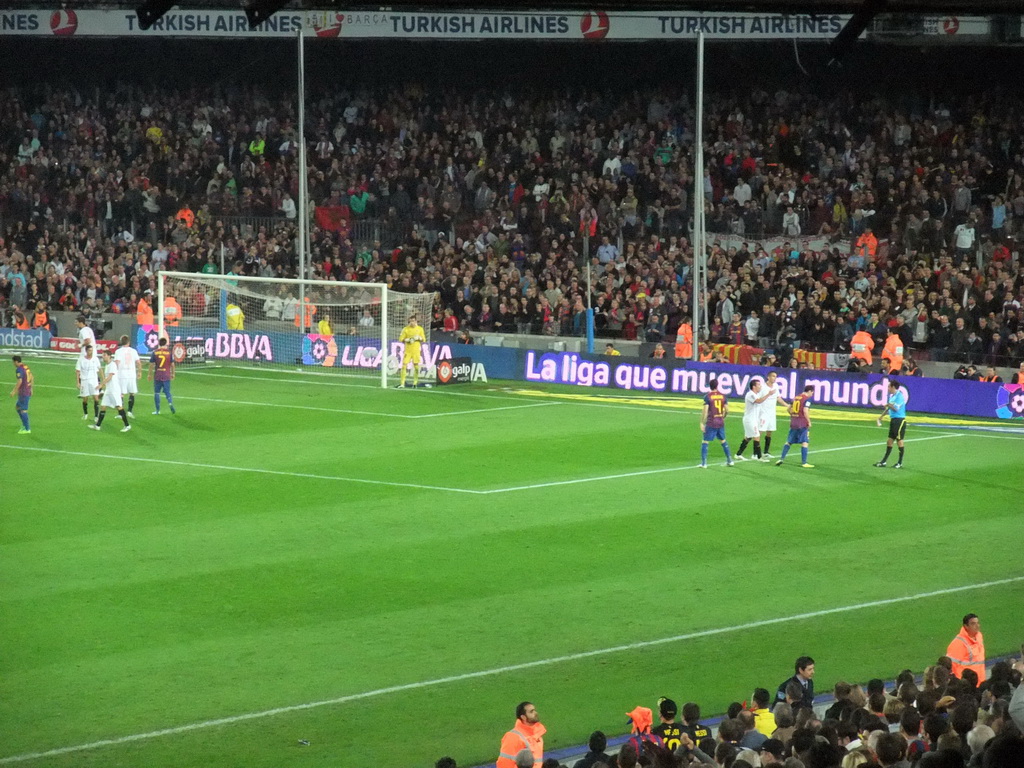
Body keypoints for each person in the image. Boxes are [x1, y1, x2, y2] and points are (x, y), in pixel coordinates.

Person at [90, 350, 131, 432]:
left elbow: (109, 377)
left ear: (109, 356)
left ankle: (127, 425)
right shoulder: (107, 365)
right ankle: (98, 425)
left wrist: (101, 385)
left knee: (119, 407)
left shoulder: (112, 365)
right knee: (103, 406)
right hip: (109, 390)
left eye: (104, 355)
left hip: (114, 390)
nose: (103, 357)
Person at [775, 384, 814, 468]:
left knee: (789, 441)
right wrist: (809, 421)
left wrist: (792, 415)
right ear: (810, 391)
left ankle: (781, 458)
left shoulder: (796, 397)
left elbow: (788, 408)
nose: (812, 394)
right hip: (802, 422)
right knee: (805, 442)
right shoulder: (807, 399)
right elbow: (805, 410)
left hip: (794, 422)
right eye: (812, 392)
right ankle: (804, 462)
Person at [497, 702, 545, 768]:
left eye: (534, 710)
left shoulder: (537, 735)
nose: (535, 713)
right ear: (523, 717)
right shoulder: (513, 737)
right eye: (531, 711)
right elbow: (505, 764)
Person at [700, 378, 734, 468]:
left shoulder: (708, 397)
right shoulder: (723, 396)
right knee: (723, 440)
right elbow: (727, 410)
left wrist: (702, 422)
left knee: (705, 441)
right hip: (720, 422)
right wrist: (723, 417)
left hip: (711, 422)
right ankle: (730, 460)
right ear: (717, 385)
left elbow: (706, 411)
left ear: (710, 386)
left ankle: (704, 463)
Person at [874, 379, 907, 468]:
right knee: (889, 441)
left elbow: (896, 408)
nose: (888, 388)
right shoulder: (892, 396)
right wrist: (881, 417)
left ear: (893, 387)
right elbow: (889, 408)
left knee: (899, 441)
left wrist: (888, 405)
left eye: (889, 386)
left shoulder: (899, 396)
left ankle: (900, 462)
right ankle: (884, 461)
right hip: (893, 420)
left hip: (899, 420)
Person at [736, 378, 771, 461]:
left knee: (748, 437)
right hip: (750, 420)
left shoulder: (755, 395)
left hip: (753, 419)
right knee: (756, 436)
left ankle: (738, 454)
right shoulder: (750, 394)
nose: (760, 386)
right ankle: (759, 457)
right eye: (758, 385)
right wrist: (768, 395)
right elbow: (758, 401)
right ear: (754, 386)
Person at [946, 614, 986, 683]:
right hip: (967, 685)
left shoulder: (979, 636)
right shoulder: (958, 643)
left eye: (978, 623)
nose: (977, 626)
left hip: (980, 682)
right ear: (966, 626)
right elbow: (951, 666)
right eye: (973, 624)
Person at [758, 370, 788, 457]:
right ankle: (756, 452)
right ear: (768, 377)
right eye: (773, 376)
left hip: (771, 413)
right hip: (763, 413)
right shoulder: (763, 387)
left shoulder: (776, 386)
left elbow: (778, 398)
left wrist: (787, 405)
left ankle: (766, 452)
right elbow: (758, 399)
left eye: (775, 376)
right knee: (760, 432)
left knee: (769, 431)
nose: (774, 378)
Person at [113, 335, 142, 418]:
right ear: (129, 342)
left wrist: (115, 373)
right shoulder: (133, 351)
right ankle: (129, 411)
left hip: (122, 375)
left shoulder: (118, 351)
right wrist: (139, 372)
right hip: (132, 374)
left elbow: (117, 362)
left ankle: (120, 414)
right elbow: (138, 362)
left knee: (121, 394)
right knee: (132, 393)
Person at [148, 337, 176, 415]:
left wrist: (149, 374)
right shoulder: (169, 353)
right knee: (167, 392)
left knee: (157, 392)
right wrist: (173, 373)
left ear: (159, 344)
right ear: (166, 343)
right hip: (166, 375)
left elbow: (151, 364)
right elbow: (173, 365)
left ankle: (157, 410)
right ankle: (170, 403)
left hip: (158, 375)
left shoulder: (155, 352)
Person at [397, 314, 426, 388]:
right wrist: (408, 340)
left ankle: (415, 383)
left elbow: (423, 339)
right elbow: (401, 339)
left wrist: (418, 338)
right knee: (404, 366)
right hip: (408, 351)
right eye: (410, 321)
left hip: (416, 351)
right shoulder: (406, 329)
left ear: (416, 321)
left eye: (413, 321)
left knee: (416, 367)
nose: (411, 323)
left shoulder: (420, 329)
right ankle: (402, 384)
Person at [76, 345, 102, 421]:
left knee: (96, 398)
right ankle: (85, 414)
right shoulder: (81, 360)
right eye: (90, 350)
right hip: (84, 381)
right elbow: (77, 371)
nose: (91, 352)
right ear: (86, 351)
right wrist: (78, 382)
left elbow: (100, 369)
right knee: (85, 399)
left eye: (92, 350)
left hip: (94, 381)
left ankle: (96, 416)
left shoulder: (95, 359)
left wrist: (102, 381)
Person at [10, 355, 33, 434]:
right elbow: (32, 377)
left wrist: (14, 391)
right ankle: (24, 425)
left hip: (23, 392)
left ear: (16, 361)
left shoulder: (19, 370)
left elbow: (20, 381)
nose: (13, 364)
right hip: (27, 390)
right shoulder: (26, 367)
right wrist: (31, 388)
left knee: (23, 410)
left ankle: (27, 428)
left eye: (13, 362)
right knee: (17, 407)